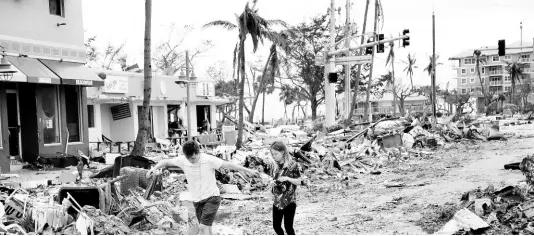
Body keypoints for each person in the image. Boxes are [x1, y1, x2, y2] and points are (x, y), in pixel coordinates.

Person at [147, 141, 259, 235]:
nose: (192, 160)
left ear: (198, 153)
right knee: (207, 228)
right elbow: (165, 161)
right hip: (197, 200)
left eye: (194, 158)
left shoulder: (209, 159)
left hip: (212, 197)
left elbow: (229, 165)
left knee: (203, 228)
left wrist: (249, 170)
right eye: (189, 158)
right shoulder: (183, 160)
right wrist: (153, 169)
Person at [269, 141, 305, 235]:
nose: (274, 156)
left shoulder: (292, 165)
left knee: (288, 227)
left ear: (283, 152)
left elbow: (299, 181)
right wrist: (272, 183)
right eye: (272, 154)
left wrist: (287, 178)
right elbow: (273, 179)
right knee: (276, 226)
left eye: (276, 154)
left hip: (289, 200)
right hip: (277, 200)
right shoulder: (274, 165)